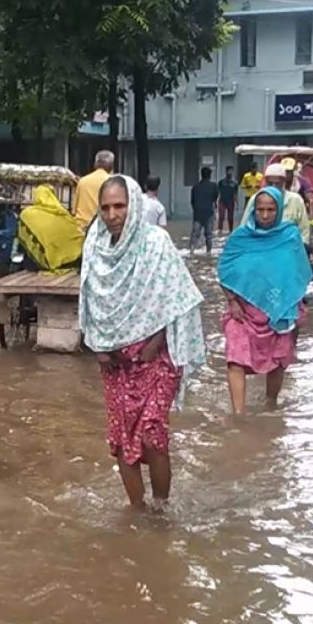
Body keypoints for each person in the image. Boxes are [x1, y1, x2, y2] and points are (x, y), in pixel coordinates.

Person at [80, 175, 206, 510]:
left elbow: (177, 296)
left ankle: (162, 509)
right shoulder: (95, 246)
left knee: (152, 434)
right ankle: (137, 513)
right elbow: (90, 298)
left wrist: (156, 340)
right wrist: (98, 345)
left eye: (119, 206)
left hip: (156, 357)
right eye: (105, 208)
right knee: (122, 441)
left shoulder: (156, 243)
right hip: (115, 361)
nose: (112, 214)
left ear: (133, 205)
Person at [218, 186, 312, 413]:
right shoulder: (240, 238)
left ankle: (271, 404)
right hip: (243, 310)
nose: (265, 215)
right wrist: (232, 301)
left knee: (278, 360)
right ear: (253, 210)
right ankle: (238, 417)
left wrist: (290, 303)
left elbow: (297, 272)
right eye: (260, 210)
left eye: (271, 210)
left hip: (278, 310)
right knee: (235, 359)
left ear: (278, 210)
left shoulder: (289, 236)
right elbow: (224, 269)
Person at [262, 163, 312, 253]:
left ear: (283, 182)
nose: (273, 187)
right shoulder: (256, 200)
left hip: (290, 252)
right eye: (270, 183)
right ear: (265, 182)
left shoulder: (296, 200)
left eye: (277, 184)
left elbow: (304, 233)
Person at [72, 150, 115, 232]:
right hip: (102, 229)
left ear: (95, 165)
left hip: (81, 228)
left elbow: (74, 209)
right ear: (111, 166)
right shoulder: (112, 182)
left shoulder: (83, 181)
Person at [189, 166, 218, 253]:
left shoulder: (195, 187)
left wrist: (196, 210)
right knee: (209, 235)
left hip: (197, 214)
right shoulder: (213, 186)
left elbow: (192, 201)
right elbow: (214, 199)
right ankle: (208, 252)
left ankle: (191, 251)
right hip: (209, 213)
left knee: (195, 234)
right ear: (210, 175)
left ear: (201, 175)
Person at [216, 166, 240, 234]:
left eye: (231, 171)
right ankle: (220, 230)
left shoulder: (235, 183)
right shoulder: (221, 182)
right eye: (229, 171)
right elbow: (218, 192)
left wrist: (237, 204)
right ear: (226, 171)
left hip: (231, 202)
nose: (230, 172)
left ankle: (231, 231)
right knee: (221, 216)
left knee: (230, 217)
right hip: (222, 201)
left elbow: (235, 194)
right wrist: (216, 202)